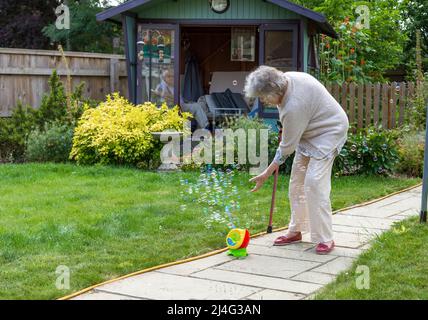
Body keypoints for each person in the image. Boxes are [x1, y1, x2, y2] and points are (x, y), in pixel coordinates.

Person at [245, 66, 349, 255]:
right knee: (297, 183)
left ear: (274, 90)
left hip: (330, 130)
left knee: (314, 183)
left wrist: (266, 173)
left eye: (263, 96)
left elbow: (286, 148)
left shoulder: (293, 106)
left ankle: (325, 238)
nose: (263, 101)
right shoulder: (288, 79)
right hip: (309, 130)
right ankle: (296, 230)